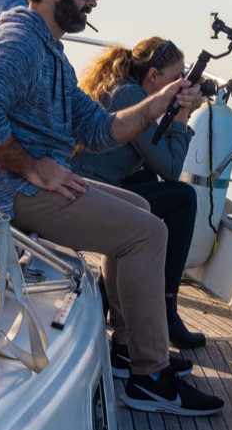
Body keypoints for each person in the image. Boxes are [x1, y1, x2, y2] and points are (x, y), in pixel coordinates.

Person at [0, 0, 223, 417]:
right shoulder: (20, 43)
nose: (94, 0)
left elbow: (100, 129)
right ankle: (150, 377)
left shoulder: (46, 48)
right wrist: (33, 166)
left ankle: (128, 348)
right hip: (8, 194)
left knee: (140, 212)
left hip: (29, 183)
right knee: (148, 232)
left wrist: (162, 103)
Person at [71, 38, 206, 349]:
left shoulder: (124, 87)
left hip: (93, 184)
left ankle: (112, 293)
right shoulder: (130, 97)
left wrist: (173, 110)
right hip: (83, 195)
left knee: (148, 177)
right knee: (183, 198)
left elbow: (154, 162)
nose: (181, 85)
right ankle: (167, 308)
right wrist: (183, 115)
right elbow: (171, 169)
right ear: (154, 75)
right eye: (177, 79)